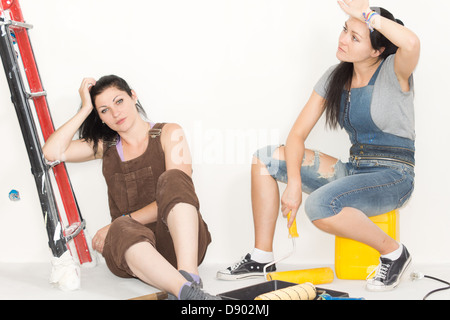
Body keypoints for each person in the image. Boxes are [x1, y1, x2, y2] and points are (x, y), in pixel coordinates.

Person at [217, 0, 420, 292]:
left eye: (355, 36)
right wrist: (294, 184)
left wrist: (365, 14)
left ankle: (394, 253)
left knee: (320, 206)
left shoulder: (394, 69)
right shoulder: (336, 76)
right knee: (265, 160)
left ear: (377, 50)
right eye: (344, 30)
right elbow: (296, 135)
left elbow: (411, 42)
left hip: (394, 176)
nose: (342, 40)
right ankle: (262, 257)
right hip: (355, 170)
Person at [43, 75, 219, 300]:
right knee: (120, 228)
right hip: (133, 250)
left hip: (181, 245)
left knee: (175, 179)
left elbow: (179, 195)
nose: (115, 113)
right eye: (104, 110)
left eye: (119, 101)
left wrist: (123, 219)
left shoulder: (169, 133)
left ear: (133, 96)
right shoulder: (104, 146)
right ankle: (187, 293)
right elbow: (51, 152)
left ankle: (189, 279)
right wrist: (85, 108)